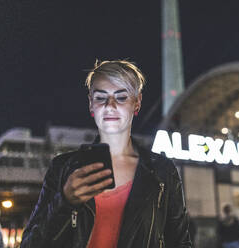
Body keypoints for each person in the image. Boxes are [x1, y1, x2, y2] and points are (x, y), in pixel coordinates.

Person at [21, 60, 192, 247]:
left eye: (121, 97)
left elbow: (181, 243)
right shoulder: (63, 168)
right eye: (101, 97)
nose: (110, 105)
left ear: (137, 103)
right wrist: (64, 202)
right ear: (91, 104)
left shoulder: (161, 171)